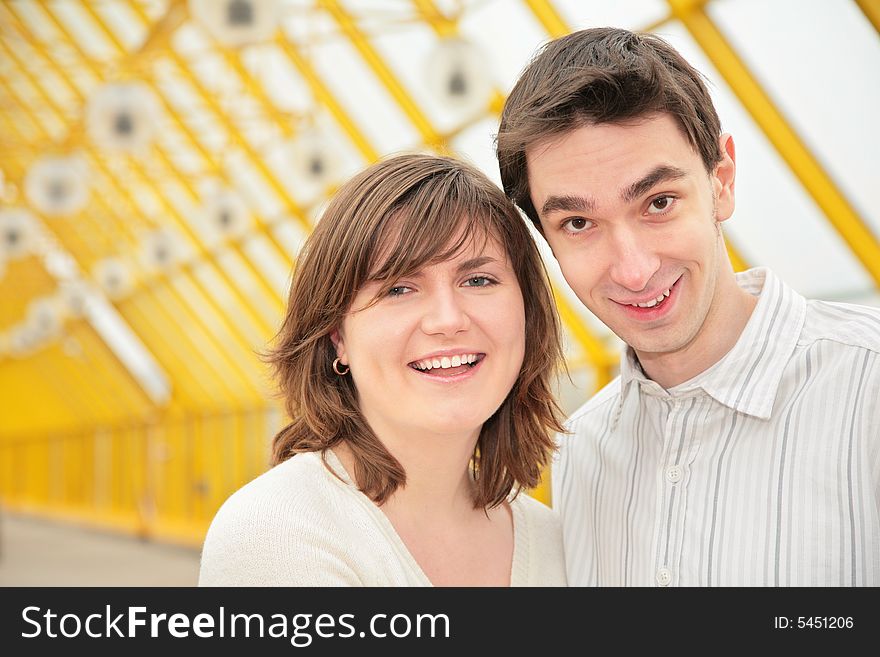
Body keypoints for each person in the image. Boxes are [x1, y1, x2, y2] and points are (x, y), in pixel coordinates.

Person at [496, 27, 880, 586]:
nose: (633, 269)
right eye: (578, 223)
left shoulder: (868, 388)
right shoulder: (582, 452)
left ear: (721, 181)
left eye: (658, 202)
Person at [198, 154, 567, 586]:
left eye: (478, 281)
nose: (448, 320)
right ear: (337, 336)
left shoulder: (552, 540)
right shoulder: (277, 535)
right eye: (399, 288)